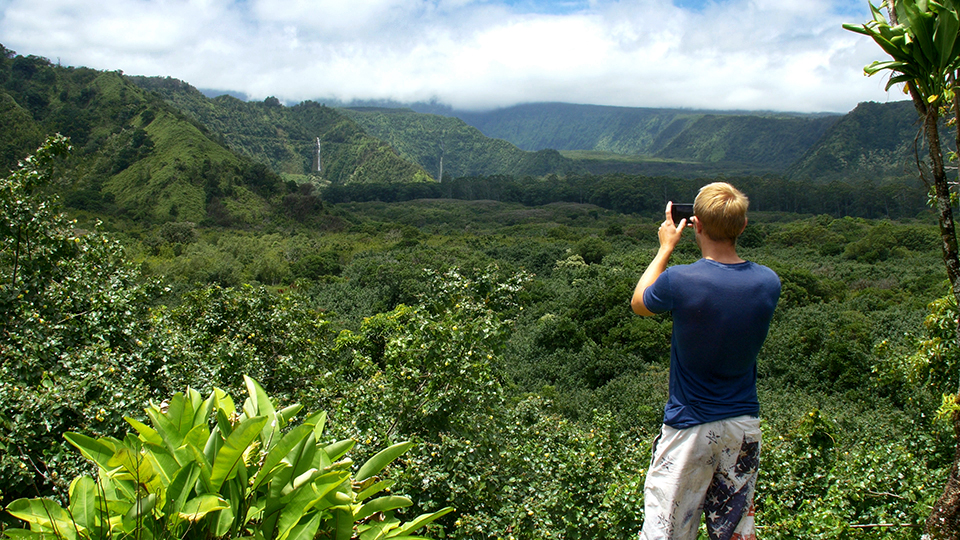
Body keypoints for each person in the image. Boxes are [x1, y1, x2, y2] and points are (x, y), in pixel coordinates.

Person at [630, 182, 781, 540]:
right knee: (734, 532)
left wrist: (665, 248)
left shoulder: (681, 280)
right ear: (742, 226)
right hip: (743, 425)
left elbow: (640, 303)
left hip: (690, 425)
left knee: (665, 531)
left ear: (695, 224)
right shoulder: (768, 282)